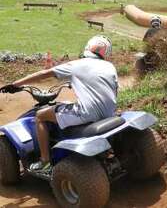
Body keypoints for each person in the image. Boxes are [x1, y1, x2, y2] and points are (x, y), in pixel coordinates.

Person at [1, 36, 118, 173]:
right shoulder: (110, 66)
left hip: (87, 114)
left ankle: (45, 161)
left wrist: (15, 84)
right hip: (109, 114)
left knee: (40, 115)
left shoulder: (77, 64)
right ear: (106, 53)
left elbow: (45, 73)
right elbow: (113, 89)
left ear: (88, 47)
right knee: (68, 105)